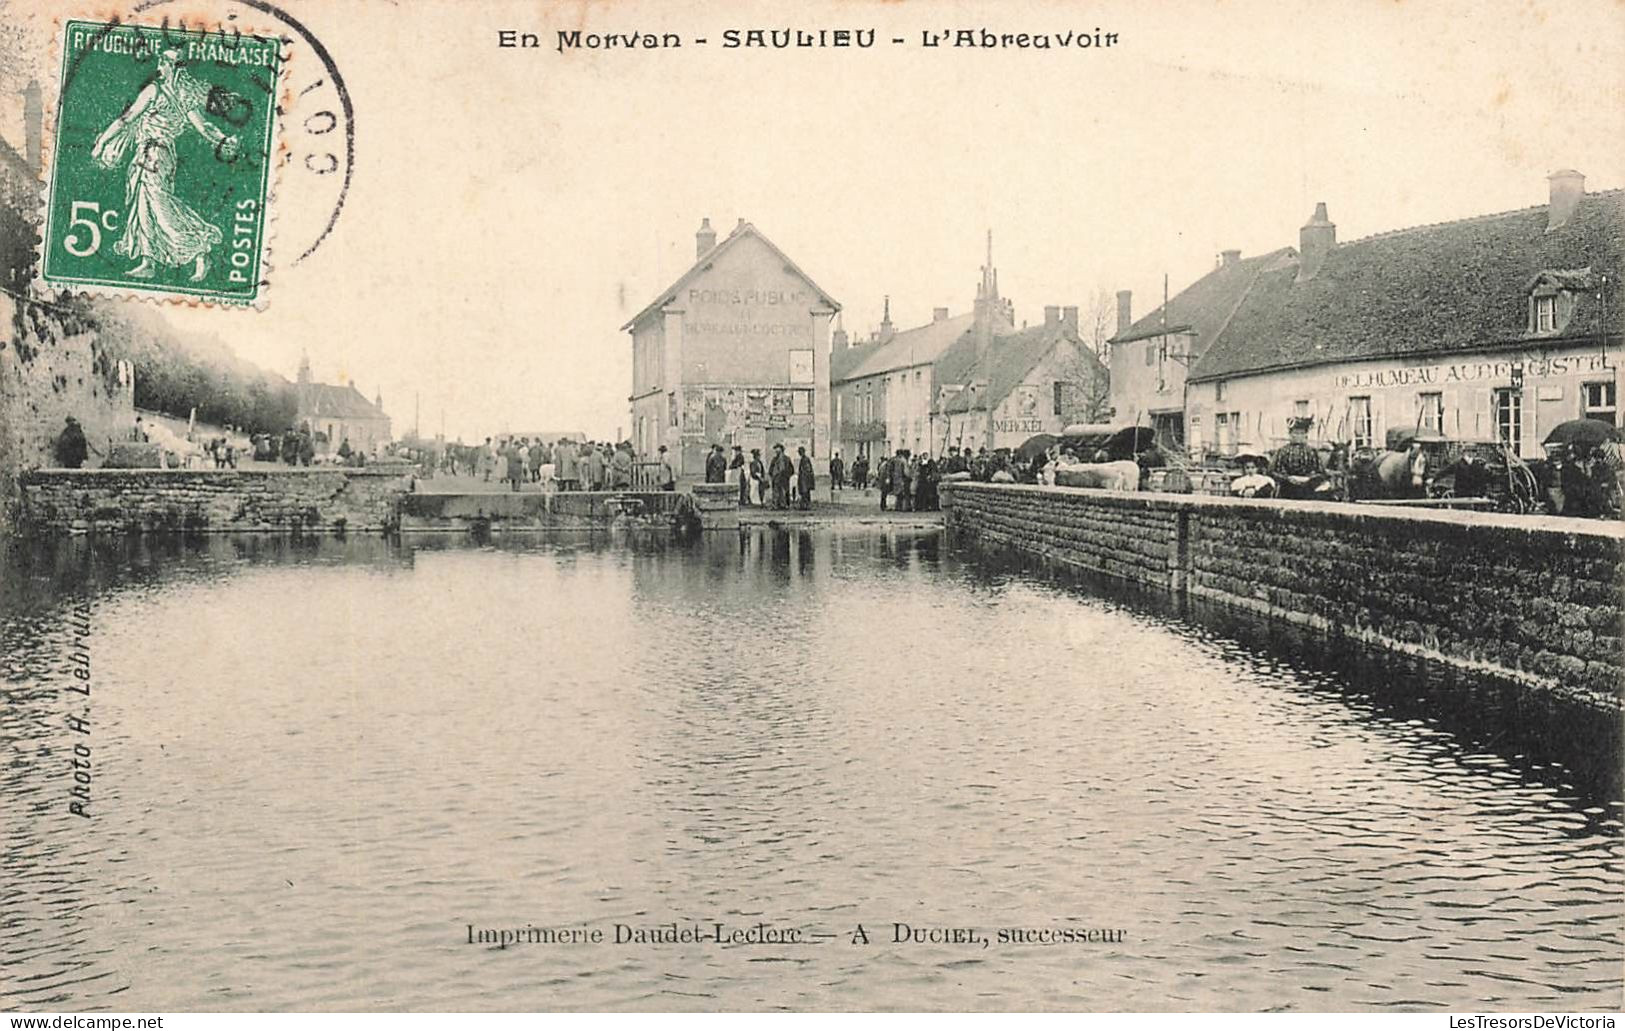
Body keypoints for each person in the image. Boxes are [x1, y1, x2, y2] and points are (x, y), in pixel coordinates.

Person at [89, 48, 236, 282]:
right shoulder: (183, 97)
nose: (161, 66)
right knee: (143, 205)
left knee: (160, 206)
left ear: (169, 66)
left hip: (155, 155)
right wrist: (222, 139)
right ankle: (149, 261)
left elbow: (127, 118)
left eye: (164, 63)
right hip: (154, 155)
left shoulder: (157, 91)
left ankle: (199, 250)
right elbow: (205, 128)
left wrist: (102, 142)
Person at [768, 443, 794, 508]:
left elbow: (791, 469)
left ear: (782, 450)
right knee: (776, 492)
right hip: (776, 478)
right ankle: (776, 504)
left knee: (784, 492)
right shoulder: (774, 459)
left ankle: (785, 504)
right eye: (776, 450)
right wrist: (772, 475)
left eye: (778, 449)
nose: (776, 451)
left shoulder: (787, 459)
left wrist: (787, 475)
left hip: (784, 478)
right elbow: (770, 469)